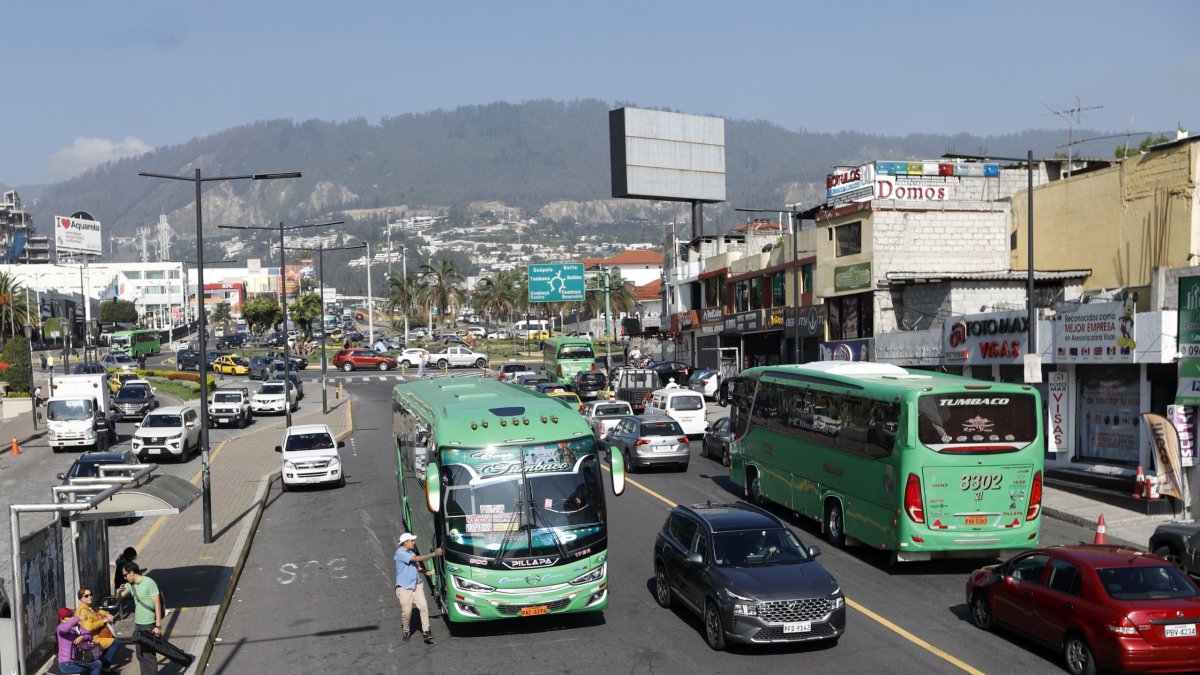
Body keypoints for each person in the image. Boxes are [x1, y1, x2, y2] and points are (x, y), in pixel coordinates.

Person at [394, 533, 443, 644]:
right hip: (404, 588)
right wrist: (434, 553)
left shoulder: (411, 552)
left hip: (416, 585)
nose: (414, 542)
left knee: (423, 606)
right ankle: (406, 630)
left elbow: (417, 566)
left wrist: (426, 571)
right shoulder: (400, 553)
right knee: (406, 613)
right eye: (412, 541)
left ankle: (426, 632)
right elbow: (417, 559)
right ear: (405, 542)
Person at [75, 587, 122, 671]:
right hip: (92, 638)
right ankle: (105, 666)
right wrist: (103, 621)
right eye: (86, 596)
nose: (90, 597)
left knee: (112, 640)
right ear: (81, 598)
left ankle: (102, 664)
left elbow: (97, 611)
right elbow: (89, 627)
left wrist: (107, 614)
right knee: (115, 642)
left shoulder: (89, 607)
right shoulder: (83, 610)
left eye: (90, 594)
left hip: (96, 636)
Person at [57, 607, 103, 675]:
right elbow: (65, 628)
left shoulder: (77, 627)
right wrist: (78, 618)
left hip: (78, 660)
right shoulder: (60, 628)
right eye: (69, 616)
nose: (72, 617)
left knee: (97, 664)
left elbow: (89, 636)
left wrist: (82, 637)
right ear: (62, 620)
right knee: (87, 670)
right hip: (66, 664)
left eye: (72, 615)